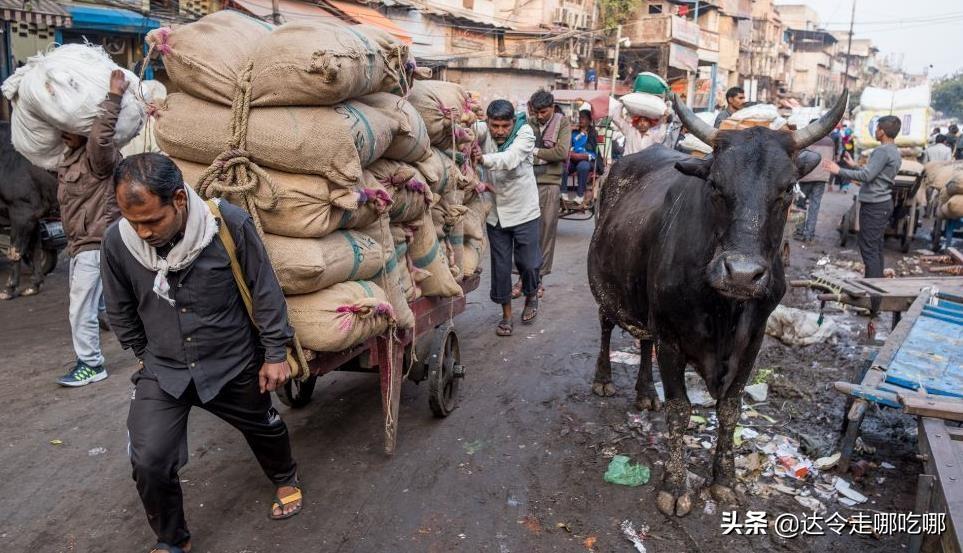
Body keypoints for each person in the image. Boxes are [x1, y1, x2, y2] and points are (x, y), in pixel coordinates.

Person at [102, 154, 303, 553]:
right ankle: (172, 539)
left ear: (179, 199)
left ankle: (285, 477)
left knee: (263, 426)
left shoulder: (227, 224)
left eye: (152, 220)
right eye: (133, 221)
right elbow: (119, 308)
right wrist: (144, 353)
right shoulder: (118, 241)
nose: (142, 232)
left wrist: (274, 353)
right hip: (164, 369)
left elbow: (264, 290)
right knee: (149, 458)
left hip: (232, 361)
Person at [55, 69, 126, 387]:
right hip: (78, 244)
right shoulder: (69, 159)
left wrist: (114, 96)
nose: (64, 132)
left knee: (80, 307)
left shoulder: (98, 158)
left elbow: (100, 137)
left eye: (71, 127)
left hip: (96, 242)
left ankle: (91, 364)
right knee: (97, 302)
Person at [472, 100, 541, 336]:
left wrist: (482, 159)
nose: (500, 131)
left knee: (529, 264)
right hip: (496, 214)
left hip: (524, 211)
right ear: (488, 122)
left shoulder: (525, 133)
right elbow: (467, 131)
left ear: (513, 122)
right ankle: (507, 316)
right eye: (495, 126)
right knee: (500, 267)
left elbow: (510, 159)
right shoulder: (483, 130)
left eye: (504, 126)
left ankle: (531, 294)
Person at [825, 115, 902, 313]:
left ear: (882, 131)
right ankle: (875, 299)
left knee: (869, 251)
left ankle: (872, 301)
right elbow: (875, 174)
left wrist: (839, 170)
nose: (875, 131)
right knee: (875, 249)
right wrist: (853, 166)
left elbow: (867, 176)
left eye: (877, 128)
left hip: (875, 205)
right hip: (882, 203)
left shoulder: (882, 151)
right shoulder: (893, 150)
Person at [520, 89, 570, 300]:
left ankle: (538, 279)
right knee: (523, 232)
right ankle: (522, 277)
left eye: (544, 112)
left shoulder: (563, 123)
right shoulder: (527, 122)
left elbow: (561, 153)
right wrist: (543, 155)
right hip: (526, 182)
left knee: (545, 232)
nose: (540, 116)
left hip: (550, 184)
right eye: (537, 112)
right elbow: (520, 149)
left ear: (552, 108)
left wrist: (534, 152)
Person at [793, 120, 835, 242]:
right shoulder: (830, 141)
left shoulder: (807, 139)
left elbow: (800, 157)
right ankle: (809, 234)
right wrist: (830, 180)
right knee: (814, 206)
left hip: (806, 177)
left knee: (800, 205)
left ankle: (799, 231)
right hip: (822, 178)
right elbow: (832, 159)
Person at [563, 109, 600, 204]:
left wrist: (582, 156)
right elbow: (569, 147)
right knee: (563, 165)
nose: (580, 120)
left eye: (583, 118)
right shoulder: (574, 133)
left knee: (583, 166)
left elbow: (595, 152)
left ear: (589, 120)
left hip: (588, 160)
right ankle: (563, 193)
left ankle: (580, 195)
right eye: (580, 117)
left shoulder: (593, 134)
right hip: (573, 159)